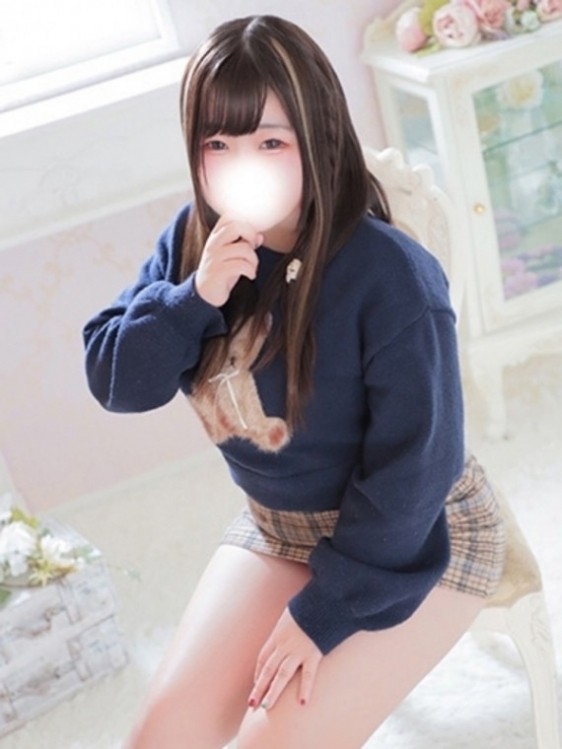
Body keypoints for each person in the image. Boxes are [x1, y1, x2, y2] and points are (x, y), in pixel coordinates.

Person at [83, 14, 506, 749]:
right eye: (218, 143)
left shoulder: (392, 279)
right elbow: (117, 382)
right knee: (157, 739)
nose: (241, 164)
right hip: (279, 526)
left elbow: (414, 471)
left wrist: (322, 613)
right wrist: (194, 299)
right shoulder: (194, 242)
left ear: (318, 136)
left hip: (412, 538)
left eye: (271, 142)